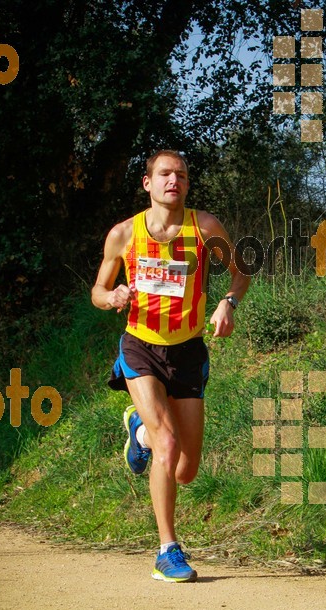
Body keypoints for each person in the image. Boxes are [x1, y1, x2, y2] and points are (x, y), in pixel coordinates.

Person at [91, 150, 250, 583]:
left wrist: (227, 303)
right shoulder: (123, 235)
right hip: (140, 347)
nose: (173, 181)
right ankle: (167, 550)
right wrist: (113, 297)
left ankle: (137, 430)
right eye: (164, 174)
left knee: (186, 469)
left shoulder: (206, 227)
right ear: (148, 183)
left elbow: (241, 273)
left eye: (180, 174)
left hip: (188, 351)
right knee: (166, 447)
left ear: (187, 183)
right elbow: (98, 291)